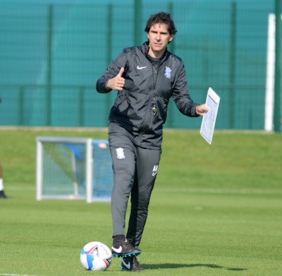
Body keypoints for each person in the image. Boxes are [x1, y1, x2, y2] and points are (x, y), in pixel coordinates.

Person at [96, 12, 209, 271]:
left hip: (151, 138)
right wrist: (110, 83)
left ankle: (129, 254)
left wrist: (196, 109)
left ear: (171, 37)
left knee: (143, 197)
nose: (158, 37)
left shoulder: (176, 66)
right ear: (148, 33)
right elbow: (101, 82)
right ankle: (117, 240)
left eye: (163, 33)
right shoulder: (129, 55)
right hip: (122, 128)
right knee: (124, 178)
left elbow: (182, 101)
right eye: (154, 32)